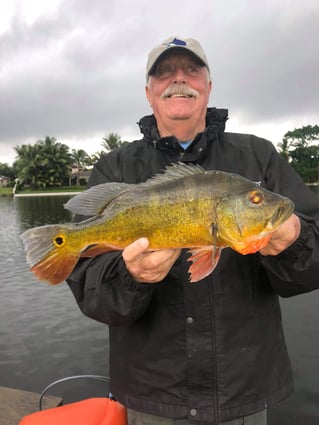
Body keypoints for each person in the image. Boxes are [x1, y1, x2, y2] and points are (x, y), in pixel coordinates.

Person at [66, 36, 319, 425]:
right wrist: (132, 276)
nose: (178, 79)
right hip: (152, 397)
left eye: (191, 70)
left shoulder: (259, 156)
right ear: (149, 92)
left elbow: (313, 264)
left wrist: (294, 239)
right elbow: (91, 290)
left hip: (245, 391)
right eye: (164, 72)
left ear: (209, 86)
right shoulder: (114, 168)